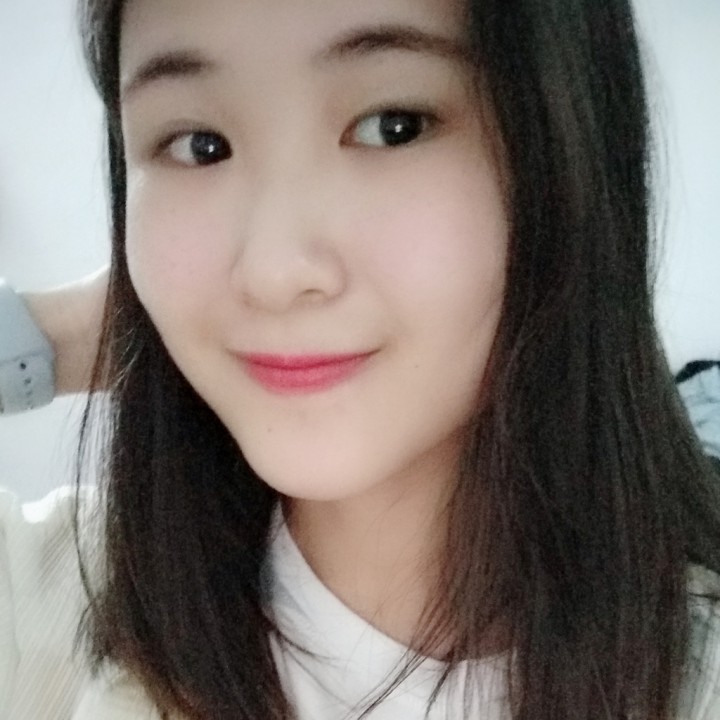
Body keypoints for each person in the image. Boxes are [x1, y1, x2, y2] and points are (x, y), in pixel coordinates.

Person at [2, 0, 720, 718]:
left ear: (568, 150)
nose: (273, 273)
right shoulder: (56, 601)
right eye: (199, 146)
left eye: (392, 127)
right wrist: (73, 337)